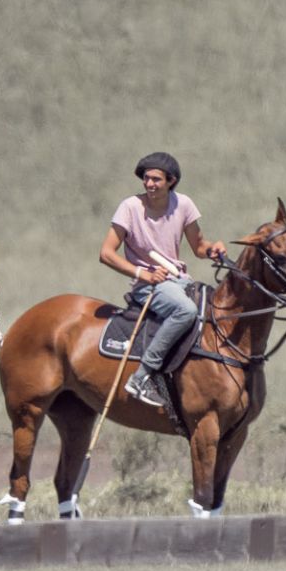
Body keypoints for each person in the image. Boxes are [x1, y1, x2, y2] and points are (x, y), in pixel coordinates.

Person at [98, 152, 226, 410]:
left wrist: (213, 249)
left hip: (180, 280)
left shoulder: (184, 205)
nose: (149, 184)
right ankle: (142, 377)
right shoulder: (130, 207)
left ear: (171, 181)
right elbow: (106, 254)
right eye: (146, 178)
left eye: (156, 179)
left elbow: (199, 246)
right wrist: (143, 274)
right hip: (148, 285)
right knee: (185, 311)